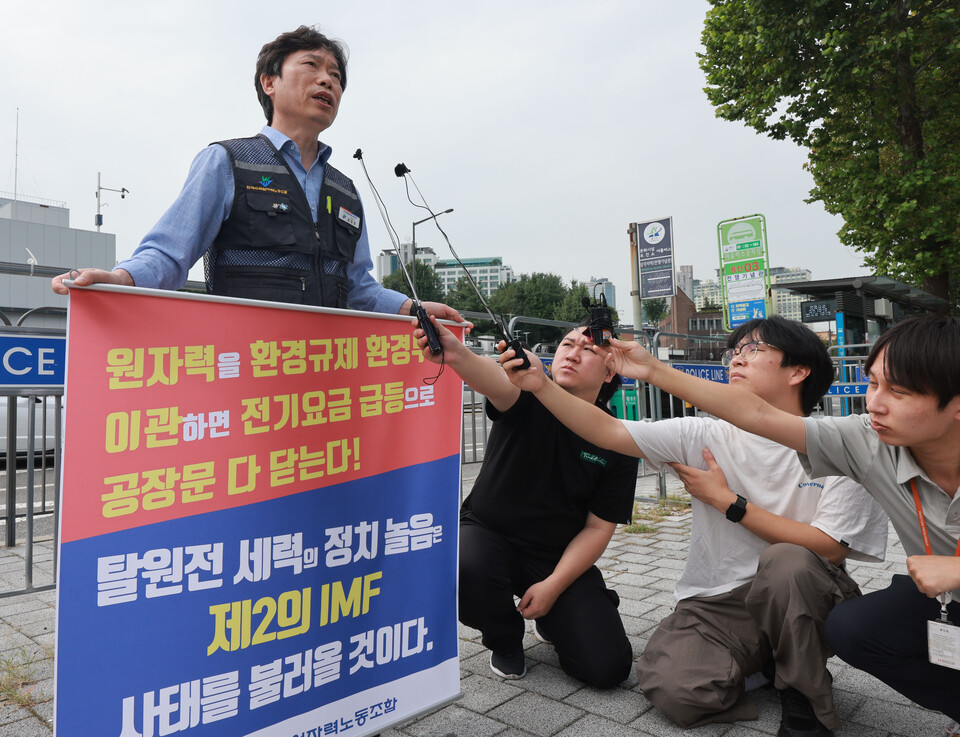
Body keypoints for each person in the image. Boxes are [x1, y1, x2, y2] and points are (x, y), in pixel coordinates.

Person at [507, 313, 960, 730]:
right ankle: (769, 667)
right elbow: (610, 431)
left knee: (790, 563)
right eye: (872, 384)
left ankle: (804, 696)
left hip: (801, 595)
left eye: (753, 350)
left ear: (798, 370)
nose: (874, 403)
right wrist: (544, 387)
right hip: (717, 602)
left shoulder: (845, 448)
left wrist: (730, 503)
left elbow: (828, 547)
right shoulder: (856, 441)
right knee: (674, 690)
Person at [51, 26, 461, 324]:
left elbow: (357, 286)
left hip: (328, 373)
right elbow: (170, 253)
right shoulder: (226, 161)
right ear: (269, 82)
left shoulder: (346, 189)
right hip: (250, 369)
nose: (328, 81)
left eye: (336, 76)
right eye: (313, 66)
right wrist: (120, 279)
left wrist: (413, 309)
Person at [414, 316, 638, 688]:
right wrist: (454, 352)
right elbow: (490, 376)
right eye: (567, 344)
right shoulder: (526, 394)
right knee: (464, 565)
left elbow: (599, 527)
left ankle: (554, 615)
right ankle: (504, 637)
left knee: (608, 669)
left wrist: (553, 586)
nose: (572, 354)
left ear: (611, 372)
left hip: (555, 557)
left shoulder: (618, 441)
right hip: (488, 535)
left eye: (588, 349)